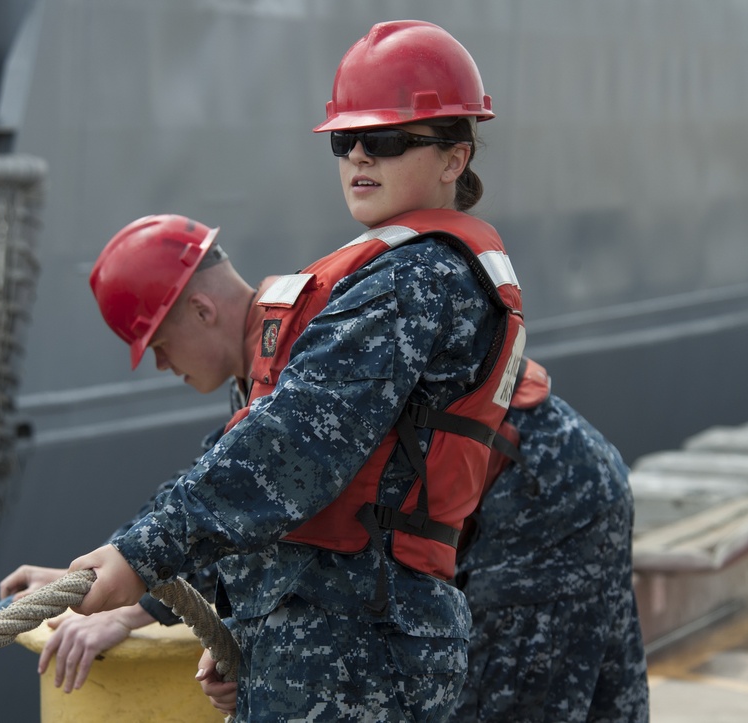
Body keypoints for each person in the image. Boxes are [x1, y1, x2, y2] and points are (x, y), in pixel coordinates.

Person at [57, 20, 528, 721]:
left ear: (455, 158)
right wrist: (249, 620)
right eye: (346, 141)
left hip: (357, 650)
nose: (360, 157)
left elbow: (295, 447)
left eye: (388, 140)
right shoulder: (404, 272)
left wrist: (139, 553)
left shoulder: (412, 281)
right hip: (349, 641)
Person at [0, 214, 271, 693]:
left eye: (160, 344)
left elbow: (240, 508)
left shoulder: (289, 368)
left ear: (203, 311)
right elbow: (201, 485)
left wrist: (134, 611)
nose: (161, 364)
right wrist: (96, 571)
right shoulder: (261, 368)